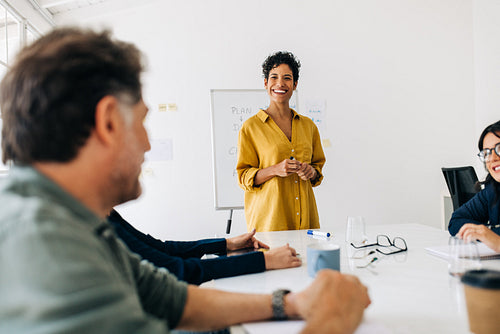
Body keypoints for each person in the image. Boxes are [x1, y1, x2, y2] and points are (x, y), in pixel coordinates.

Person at [0, 27, 370, 333]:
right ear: (109, 121)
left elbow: (169, 294)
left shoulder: (77, 217)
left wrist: (288, 304)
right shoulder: (43, 244)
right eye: (143, 121)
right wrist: (330, 323)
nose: (147, 143)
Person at [237, 51, 326, 232]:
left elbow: (317, 173)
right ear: (266, 83)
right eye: (274, 77)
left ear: (294, 84)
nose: (280, 83)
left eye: (287, 78)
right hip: (269, 223)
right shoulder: (251, 127)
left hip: (306, 223)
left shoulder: (309, 126)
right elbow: (243, 177)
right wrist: (275, 170)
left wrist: (311, 172)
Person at [108, 209, 301, 285]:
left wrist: (226, 244)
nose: (147, 145)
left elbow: (162, 250)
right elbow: (178, 271)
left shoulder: (107, 215)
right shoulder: (102, 226)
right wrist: (263, 260)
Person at [449, 120, 500, 253]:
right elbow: (456, 221)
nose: (492, 158)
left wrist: (495, 238)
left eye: (499, 148)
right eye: (487, 153)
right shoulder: (492, 190)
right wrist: (486, 233)